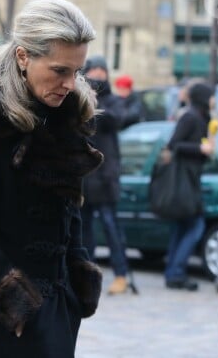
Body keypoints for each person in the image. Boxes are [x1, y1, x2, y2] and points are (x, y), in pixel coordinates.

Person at [0, 0, 104, 358]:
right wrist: (16, 304)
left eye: (77, 72)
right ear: (23, 57)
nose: (69, 83)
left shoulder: (69, 115)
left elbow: (70, 211)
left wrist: (77, 285)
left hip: (58, 309)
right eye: (60, 70)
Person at [81, 55, 131, 295]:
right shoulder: (78, 99)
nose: (98, 76)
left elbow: (115, 120)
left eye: (102, 71)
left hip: (106, 176)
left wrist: (93, 103)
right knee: (85, 229)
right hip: (84, 175)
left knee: (112, 227)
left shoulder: (112, 101)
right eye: (94, 71)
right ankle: (87, 275)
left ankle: (121, 275)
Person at [164, 82, 215, 291]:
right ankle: (175, 272)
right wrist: (199, 148)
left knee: (184, 226)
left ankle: (173, 273)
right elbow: (174, 144)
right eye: (212, 97)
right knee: (195, 226)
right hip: (184, 179)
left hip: (192, 178)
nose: (214, 101)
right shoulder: (190, 117)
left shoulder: (202, 117)